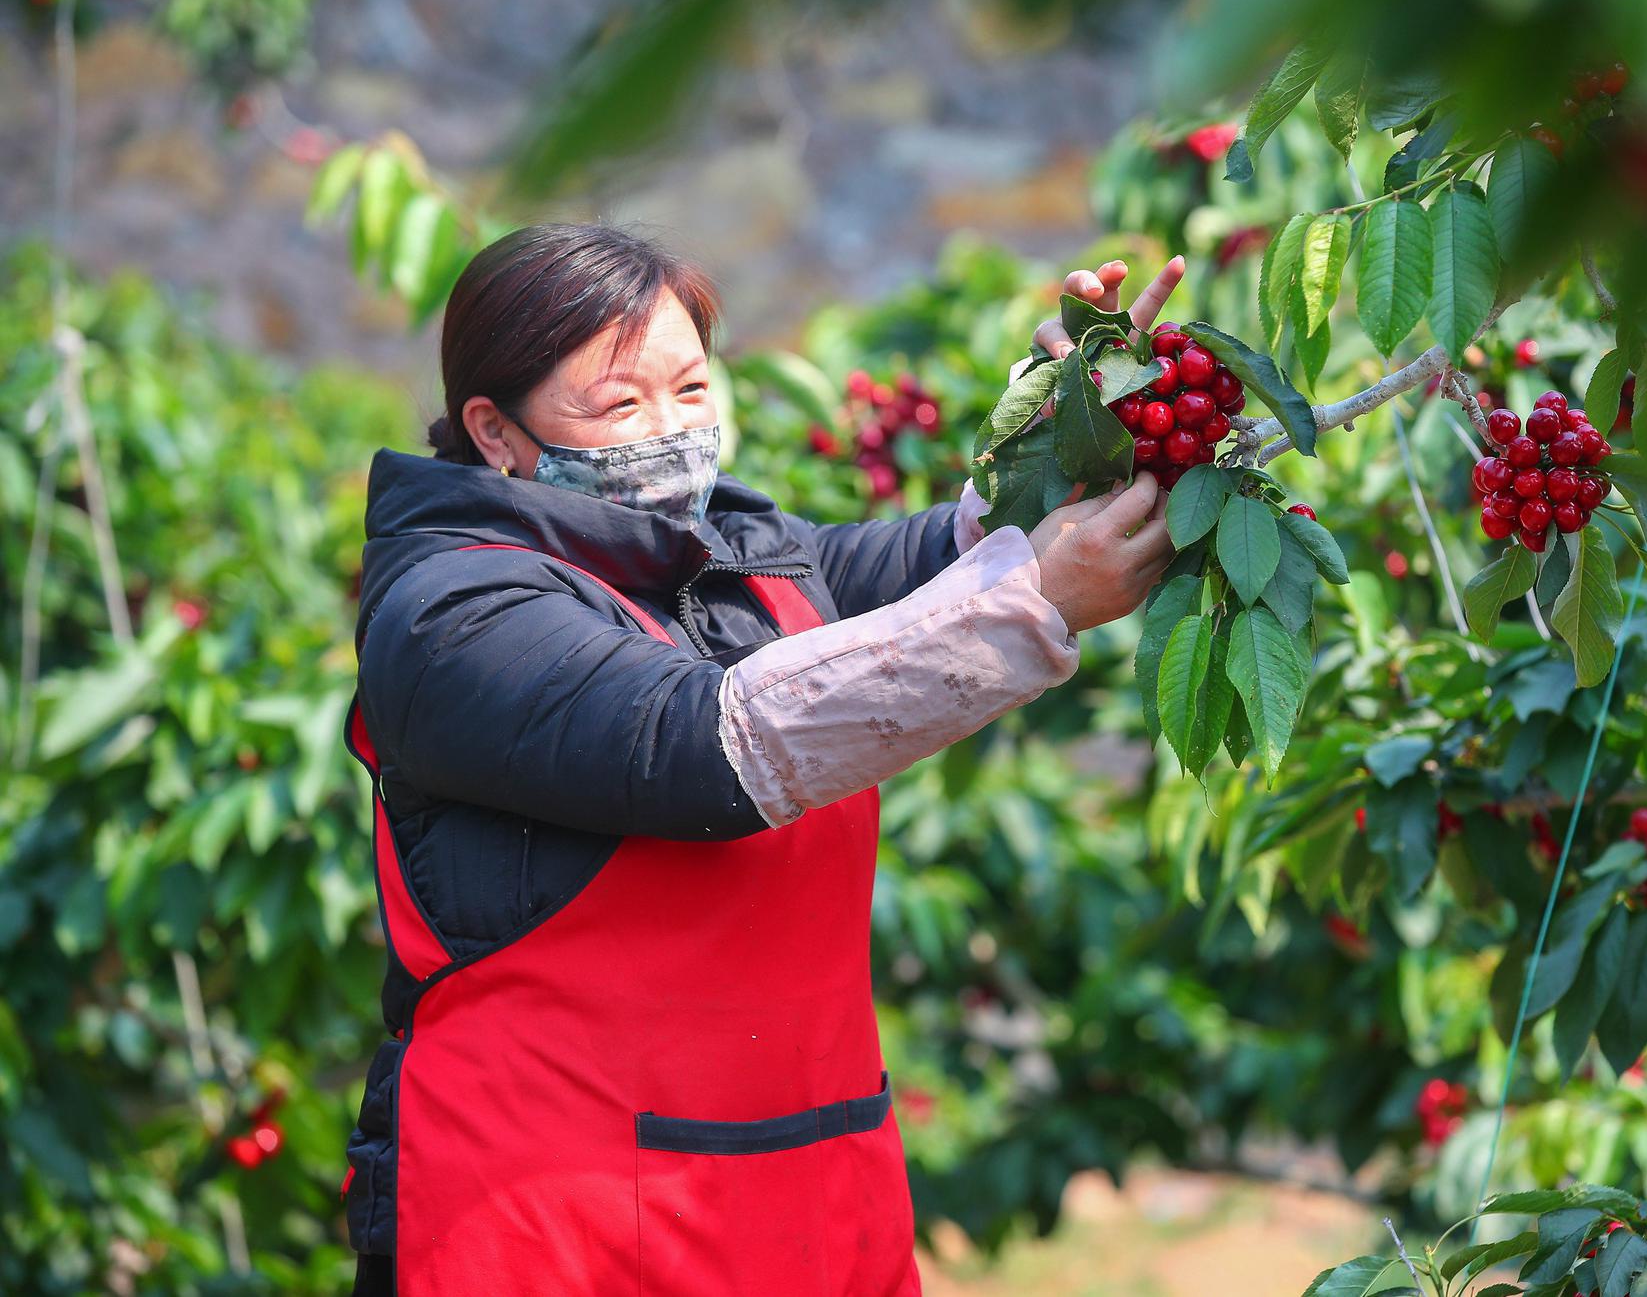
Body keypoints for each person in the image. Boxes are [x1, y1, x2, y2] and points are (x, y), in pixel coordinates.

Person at [340, 222, 1184, 1295]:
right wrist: (1034, 611)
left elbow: (939, 566)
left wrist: (1070, 428)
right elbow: (698, 743)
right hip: (557, 1224)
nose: (671, 430)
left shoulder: (741, 555)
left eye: (690, 391)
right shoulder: (448, 613)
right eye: (618, 405)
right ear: (494, 431)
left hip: (805, 1194)